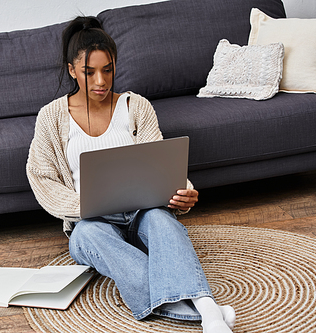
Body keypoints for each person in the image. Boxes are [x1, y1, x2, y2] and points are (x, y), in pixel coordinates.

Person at [26, 16, 236, 333]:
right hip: (91, 220)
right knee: (86, 235)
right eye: (89, 72)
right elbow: (42, 179)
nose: (101, 80)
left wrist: (182, 191)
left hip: (142, 209)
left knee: (163, 221)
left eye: (107, 70)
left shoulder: (135, 106)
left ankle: (208, 309)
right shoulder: (52, 117)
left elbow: (159, 161)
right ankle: (208, 313)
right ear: (72, 71)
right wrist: (84, 206)